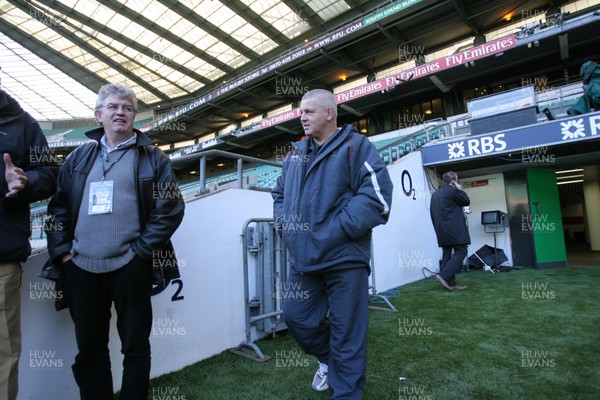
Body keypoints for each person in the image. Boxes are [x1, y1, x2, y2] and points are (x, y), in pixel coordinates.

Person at [44, 83, 184, 399]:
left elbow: (170, 208)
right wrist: (64, 254)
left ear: (134, 116)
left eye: (127, 108)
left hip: (130, 266)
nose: (120, 112)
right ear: (98, 115)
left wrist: (140, 251)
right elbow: (58, 209)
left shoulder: (153, 158)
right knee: (90, 350)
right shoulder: (78, 157)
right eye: (113, 107)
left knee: (135, 346)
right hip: (81, 267)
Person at [272, 89, 393, 399]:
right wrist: (286, 227)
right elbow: (279, 195)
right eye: (300, 111)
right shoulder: (295, 153)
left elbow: (378, 198)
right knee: (296, 318)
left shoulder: (358, 146)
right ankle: (328, 361)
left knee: (347, 334)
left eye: (309, 111)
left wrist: (336, 229)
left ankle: (345, 392)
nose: (302, 116)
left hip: (344, 258)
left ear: (329, 113)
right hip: (304, 259)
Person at [0, 69, 58, 400]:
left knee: (3, 353)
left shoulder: (22, 123)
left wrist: (25, 183)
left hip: (2, 257)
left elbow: (49, 173)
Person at [429, 171, 470, 291]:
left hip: (441, 230)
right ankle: (443, 275)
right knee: (461, 251)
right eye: (457, 180)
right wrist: (459, 189)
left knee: (447, 254)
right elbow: (466, 201)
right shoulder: (452, 191)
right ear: (453, 181)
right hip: (454, 229)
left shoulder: (435, 194)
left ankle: (451, 284)